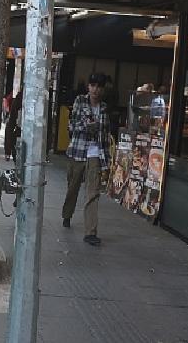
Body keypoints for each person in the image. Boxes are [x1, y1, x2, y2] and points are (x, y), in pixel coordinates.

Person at [62, 73, 111, 246]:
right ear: (88, 87)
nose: (95, 90)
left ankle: (90, 232)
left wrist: (107, 162)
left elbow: (105, 136)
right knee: (73, 188)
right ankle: (67, 215)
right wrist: (86, 126)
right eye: (93, 85)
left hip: (95, 154)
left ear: (103, 89)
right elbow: (71, 125)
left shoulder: (104, 108)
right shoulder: (80, 102)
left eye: (99, 86)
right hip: (78, 150)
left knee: (93, 193)